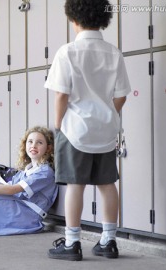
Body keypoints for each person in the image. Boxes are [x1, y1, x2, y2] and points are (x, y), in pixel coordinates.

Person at [45, 0, 131, 261]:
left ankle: (72, 243)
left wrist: (58, 124)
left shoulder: (68, 52)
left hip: (75, 130)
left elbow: (61, 94)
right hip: (105, 130)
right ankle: (109, 241)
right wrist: (108, 116)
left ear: (74, 19)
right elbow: (121, 96)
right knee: (107, 184)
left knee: (75, 185)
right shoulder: (113, 53)